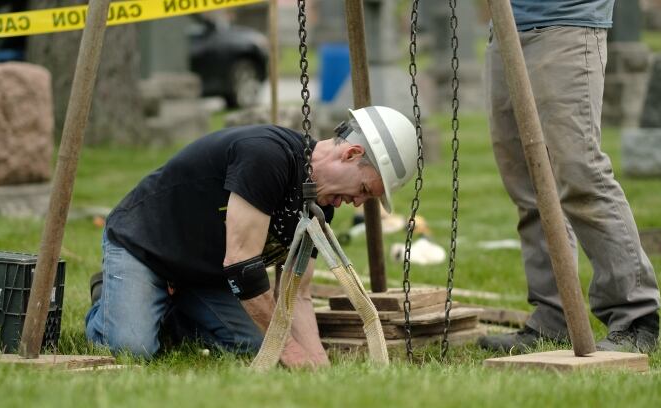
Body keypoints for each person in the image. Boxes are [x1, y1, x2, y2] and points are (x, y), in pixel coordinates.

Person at [84, 106, 418, 367]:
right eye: (363, 189)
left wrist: (316, 363)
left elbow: (297, 295)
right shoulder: (267, 157)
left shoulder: (319, 205)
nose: (357, 203)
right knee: (132, 349)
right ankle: (108, 294)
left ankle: (169, 308)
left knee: (256, 346)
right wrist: (289, 351)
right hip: (144, 246)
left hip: (204, 274)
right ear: (350, 154)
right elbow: (242, 265)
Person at [477, 1, 661, 354]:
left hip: (566, 24)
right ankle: (554, 315)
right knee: (529, 188)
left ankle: (635, 316)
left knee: (580, 173)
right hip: (506, 27)